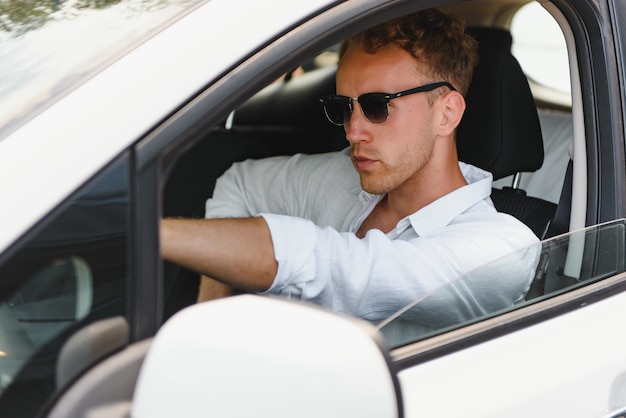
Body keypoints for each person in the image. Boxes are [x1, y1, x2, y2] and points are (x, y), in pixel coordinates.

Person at [161, 8, 540, 323]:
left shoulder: (500, 249)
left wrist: (153, 235)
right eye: (343, 108)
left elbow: (332, 267)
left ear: (446, 114)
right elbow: (239, 182)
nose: (353, 130)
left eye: (377, 106)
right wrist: (212, 302)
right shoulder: (344, 177)